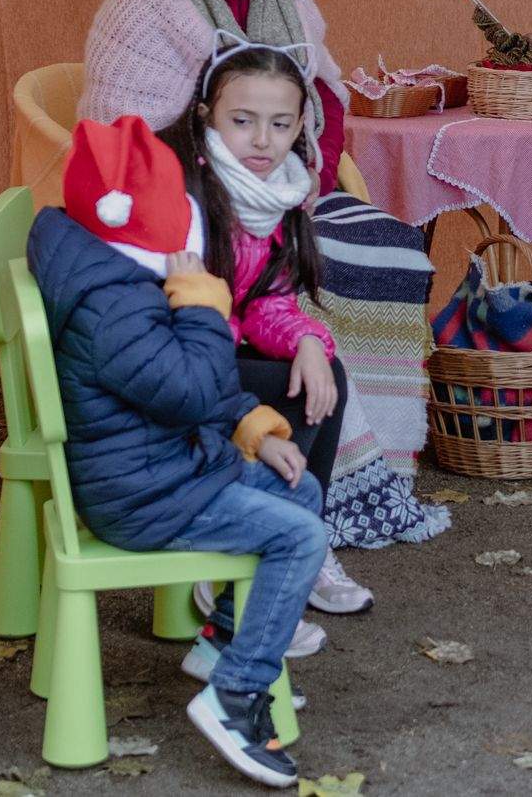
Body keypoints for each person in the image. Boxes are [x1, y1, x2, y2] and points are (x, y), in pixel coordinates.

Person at [83, 0, 449, 557]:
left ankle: (364, 481)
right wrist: (255, 196)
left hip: (284, 188)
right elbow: (129, 145)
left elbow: (327, 98)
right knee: (308, 273)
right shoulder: (148, 0)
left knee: (391, 251)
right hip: (189, 216)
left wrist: (303, 187)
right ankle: (299, 494)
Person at [25, 114, 321, 789]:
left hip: (164, 469)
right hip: (146, 497)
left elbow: (187, 386)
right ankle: (236, 694)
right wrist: (205, 311)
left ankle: (221, 642)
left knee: (301, 490)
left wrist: (252, 427)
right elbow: (187, 389)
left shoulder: (116, 281)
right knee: (300, 537)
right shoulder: (116, 307)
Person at [161, 37, 370, 662]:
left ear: (300, 125)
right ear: (206, 116)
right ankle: (238, 550)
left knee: (320, 371)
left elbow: (265, 302)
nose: (261, 141)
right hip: (184, 364)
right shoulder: (189, 200)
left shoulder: (279, 196)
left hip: (220, 360)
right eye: (242, 121)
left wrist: (306, 337)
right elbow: (175, 310)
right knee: (297, 382)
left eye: (279, 125)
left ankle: (298, 529)